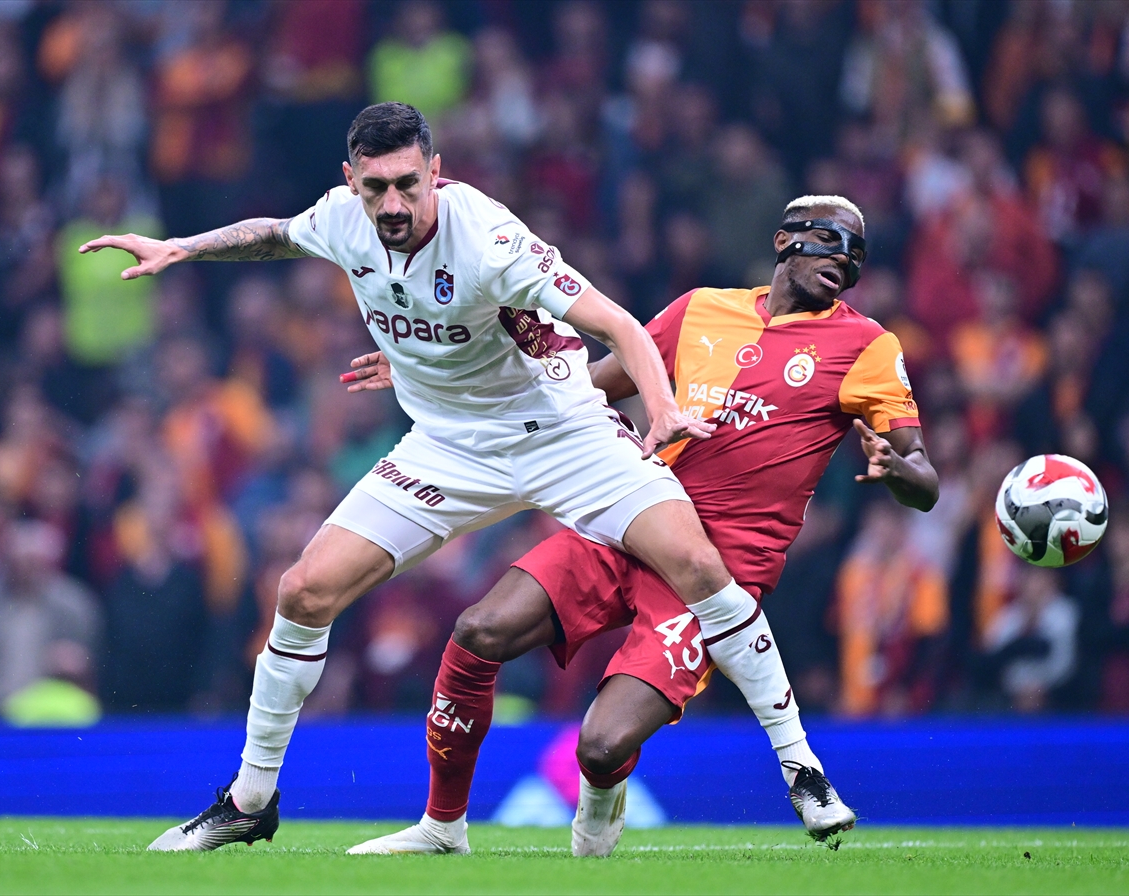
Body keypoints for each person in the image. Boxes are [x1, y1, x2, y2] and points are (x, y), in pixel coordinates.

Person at [80, 103, 811, 852]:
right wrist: (180, 247)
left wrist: (660, 410)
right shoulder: (343, 218)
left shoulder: (490, 237)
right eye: (375, 188)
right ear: (351, 181)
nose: (393, 204)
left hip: (562, 434)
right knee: (302, 592)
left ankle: (801, 770)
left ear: (435, 171)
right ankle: (250, 801)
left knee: (697, 565)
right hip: (448, 446)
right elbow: (275, 233)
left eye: (408, 184)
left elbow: (619, 325)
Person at [362, 195, 939, 857]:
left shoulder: (866, 345)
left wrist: (897, 467)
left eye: (858, 254)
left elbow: (926, 482)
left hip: (714, 576)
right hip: (630, 521)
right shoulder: (699, 310)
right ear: (786, 240)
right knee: (478, 629)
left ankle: (603, 802)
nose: (846, 260)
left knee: (600, 745)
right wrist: (438, 373)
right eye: (834, 240)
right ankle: (441, 826)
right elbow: (584, 386)